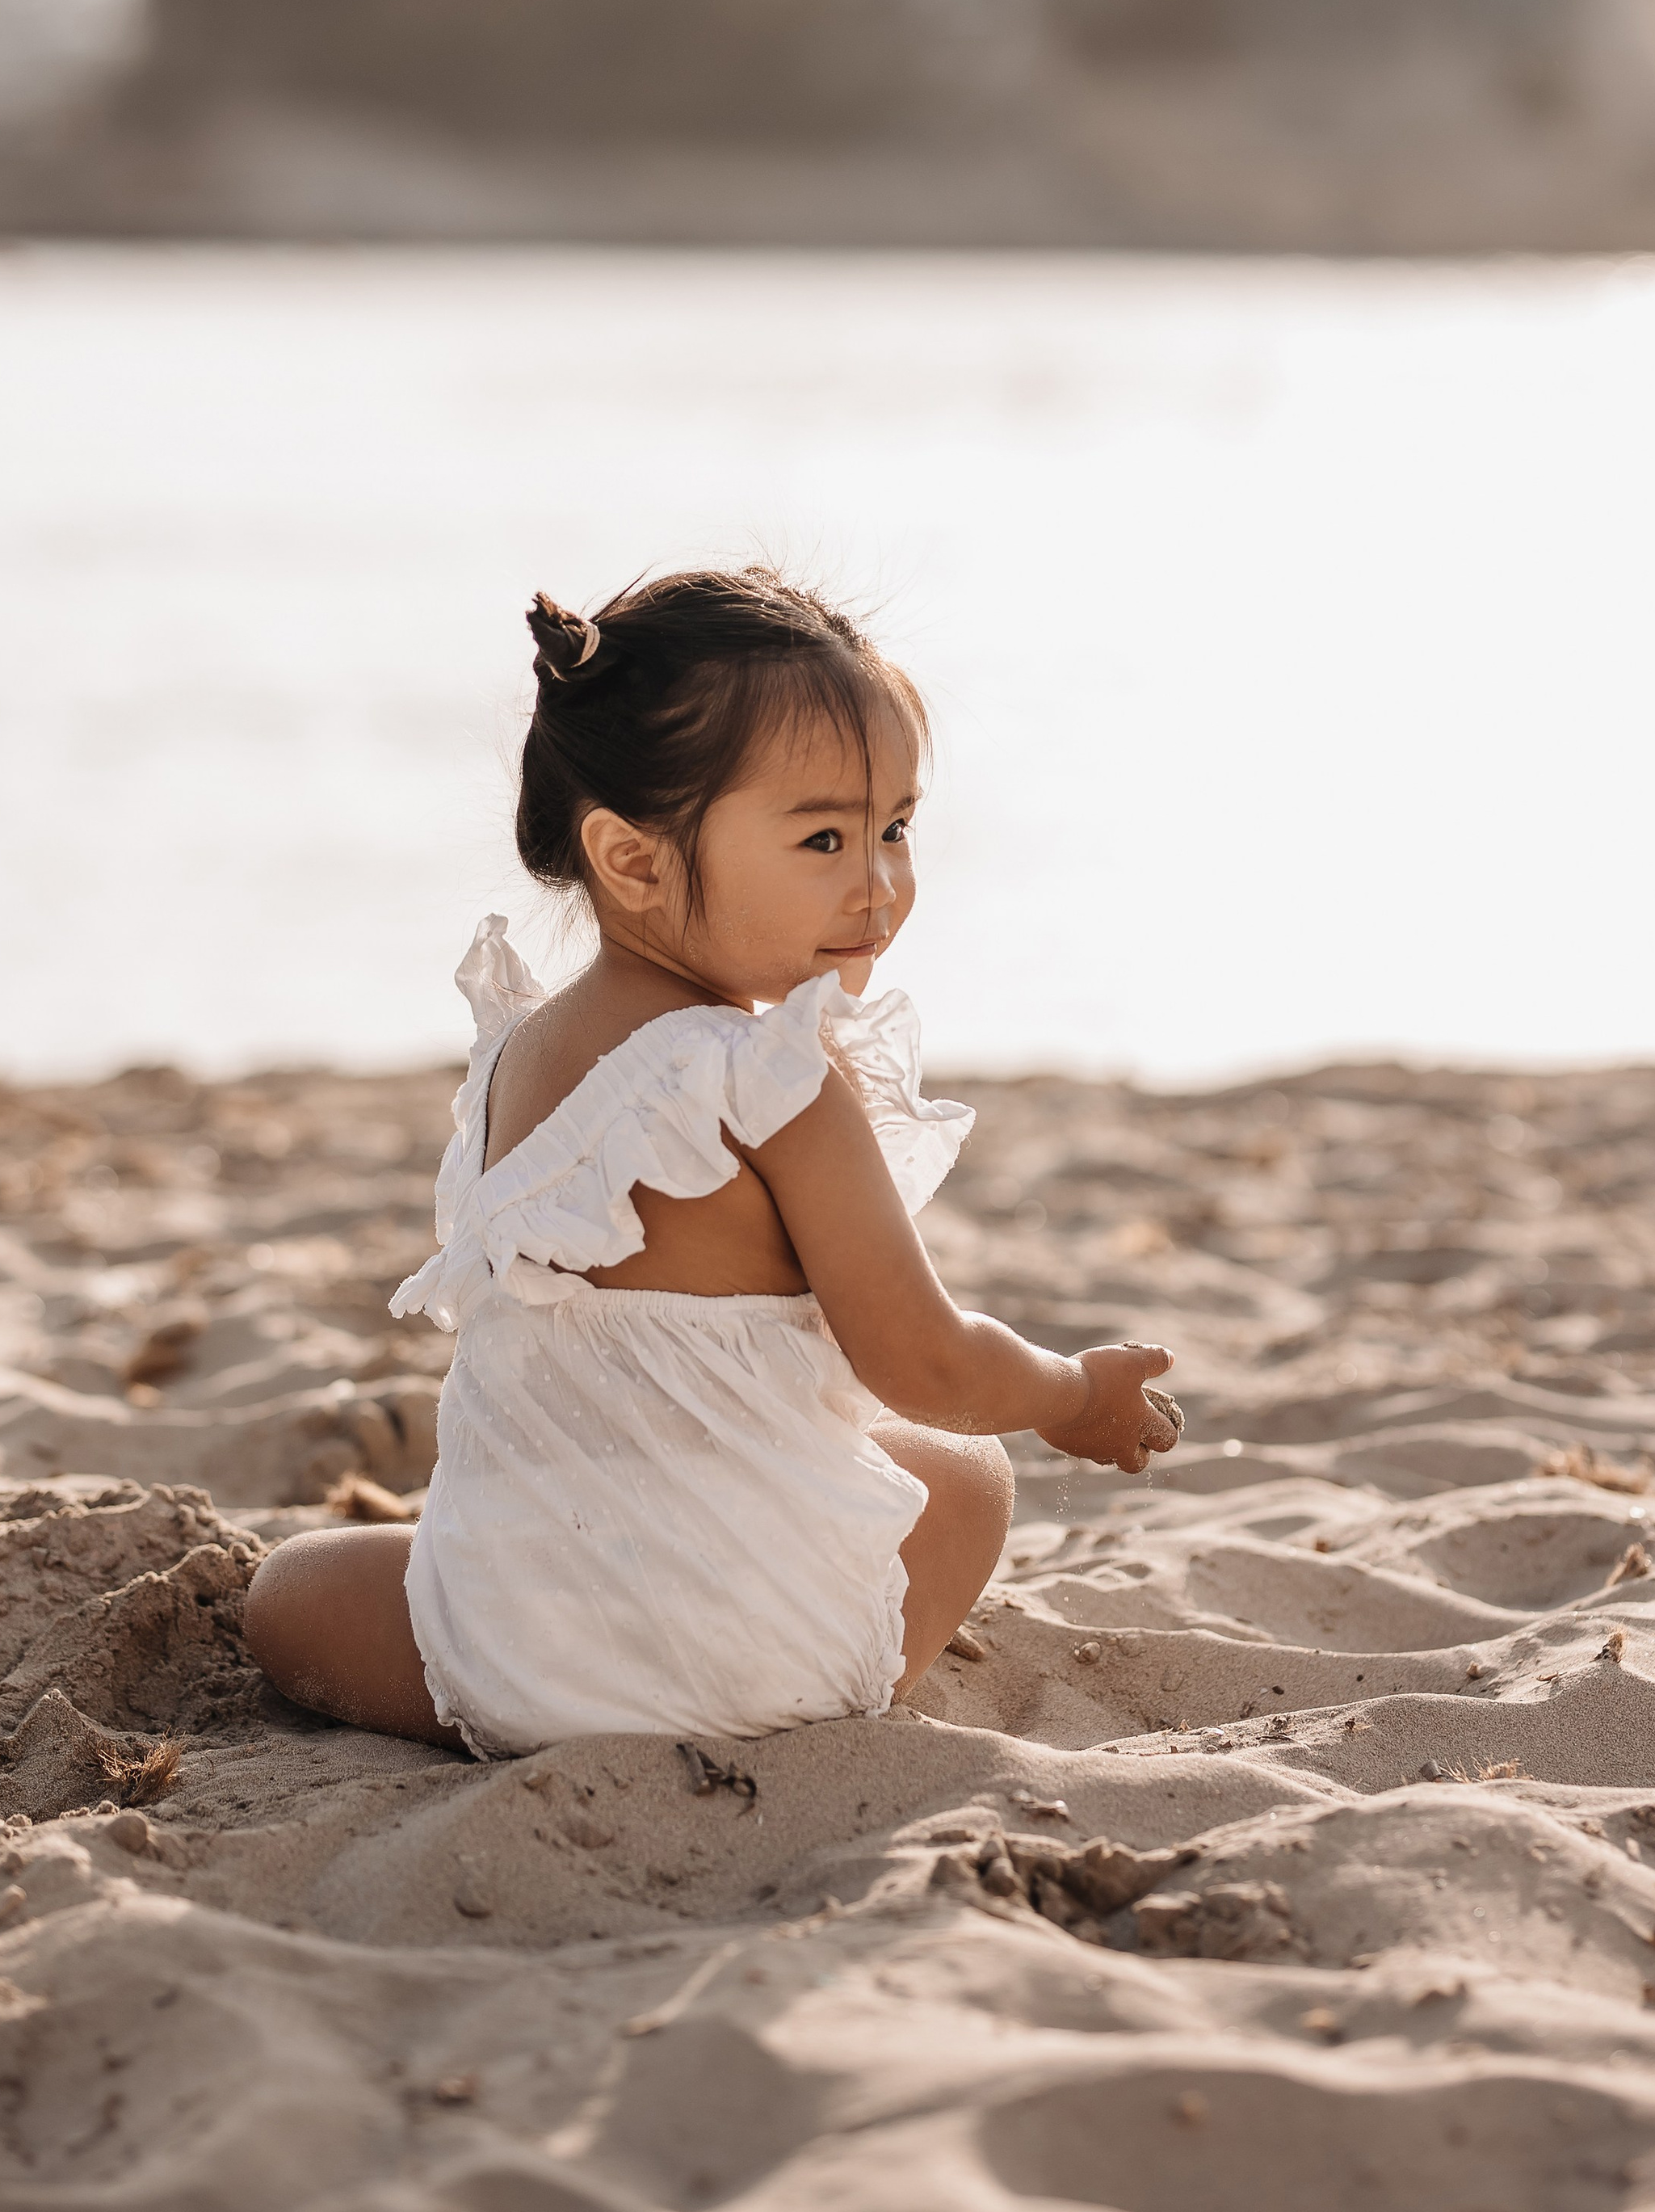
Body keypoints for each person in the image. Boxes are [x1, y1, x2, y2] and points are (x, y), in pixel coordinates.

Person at [244, 567, 1179, 1752]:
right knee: (965, 1469)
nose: (880, 882)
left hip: (521, 1657)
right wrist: (1070, 1393)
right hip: (755, 1647)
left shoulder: (521, 1053)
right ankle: (802, 1692)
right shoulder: (771, 1082)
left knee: (291, 1592)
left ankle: (560, 1675)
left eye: (896, 828)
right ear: (632, 862)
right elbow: (927, 1361)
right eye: (826, 837)